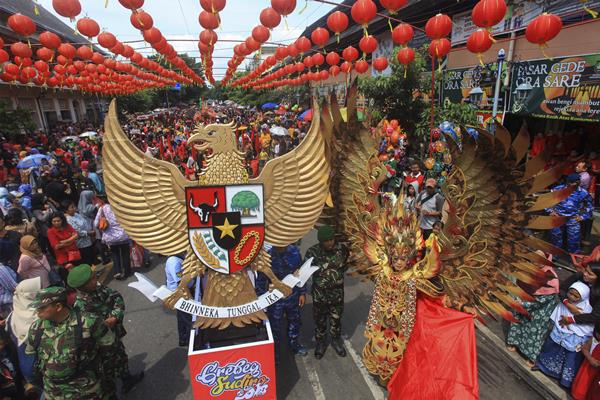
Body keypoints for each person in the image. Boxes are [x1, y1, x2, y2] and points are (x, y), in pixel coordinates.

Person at [25, 286, 115, 399]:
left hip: (86, 391)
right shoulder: (36, 328)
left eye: (42, 307)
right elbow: (31, 355)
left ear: (58, 307)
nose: (38, 311)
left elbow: (109, 349)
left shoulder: (89, 322)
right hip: (54, 393)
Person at [67, 264, 144, 397]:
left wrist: (115, 316)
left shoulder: (97, 288)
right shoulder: (80, 306)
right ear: (82, 287)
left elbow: (116, 297)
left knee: (120, 357)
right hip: (101, 344)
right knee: (106, 372)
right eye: (91, 280)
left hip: (113, 334)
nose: (95, 281)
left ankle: (127, 379)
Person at [535, 281, 594, 388]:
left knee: (570, 358)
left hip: (575, 337)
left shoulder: (587, 309)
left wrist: (572, 327)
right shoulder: (564, 303)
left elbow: (587, 325)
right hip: (560, 331)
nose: (572, 297)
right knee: (551, 348)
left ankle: (565, 380)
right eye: (570, 293)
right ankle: (543, 366)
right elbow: (558, 313)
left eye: (576, 296)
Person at [506, 251, 560, 367]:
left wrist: (521, 303)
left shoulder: (551, 278)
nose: (535, 261)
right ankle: (514, 342)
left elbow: (541, 301)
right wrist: (517, 298)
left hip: (539, 309)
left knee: (535, 330)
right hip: (523, 301)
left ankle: (531, 355)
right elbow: (518, 283)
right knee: (517, 320)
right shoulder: (527, 268)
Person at [256, 245, 308, 363]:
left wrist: (302, 293)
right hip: (275, 300)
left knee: (294, 322)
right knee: (275, 327)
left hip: (293, 297)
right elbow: (260, 281)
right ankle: (275, 353)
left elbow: (301, 275)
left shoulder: (294, 252)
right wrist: (261, 301)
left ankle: (294, 345)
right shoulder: (267, 257)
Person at [305, 225, 349, 359]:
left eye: (331, 239)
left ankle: (336, 341)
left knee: (336, 320)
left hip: (337, 295)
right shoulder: (312, 253)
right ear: (320, 241)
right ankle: (321, 343)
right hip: (320, 296)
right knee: (320, 321)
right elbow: (304, 272)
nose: (330, 242)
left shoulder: (342, 250)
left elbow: (346, 264)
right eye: (326, 240)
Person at [7, 277, 42, 398]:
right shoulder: (38, 318)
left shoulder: (12, 316)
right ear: (30, 295)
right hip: (41, 368)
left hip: (26, 368)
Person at [548, 173, 593, 255]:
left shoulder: (583, 193)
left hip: (573, 218)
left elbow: (589, 206)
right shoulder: (558, 189)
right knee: (556, 236)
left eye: (576, 182)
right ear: (568, 182)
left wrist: (583, 216)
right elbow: (546, 201)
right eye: (572, 182)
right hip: (558, 216)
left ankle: (574, 256)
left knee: (574, 239)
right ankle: (555, 255)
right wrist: (550, 211)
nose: (574, 184)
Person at [94, 200, 131, 280]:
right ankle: (127, 271)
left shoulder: (102, 208)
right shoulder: (121, 206)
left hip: (110, 236)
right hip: (123, 234)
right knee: (125, 253)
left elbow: (96, 223)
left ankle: (118, 271)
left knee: (115, 253)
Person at [165, 254, 193, 347]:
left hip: (180, 294)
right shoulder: (174, 262)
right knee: (189, 319)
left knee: (182, 318)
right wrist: (190, 299)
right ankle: (191, 342)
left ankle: (183, 338)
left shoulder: (178, 258)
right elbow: (181, 283)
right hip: (180, 295)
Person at [47, 212, 79, 281]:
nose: (56, 223)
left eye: (58, 221)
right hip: (64, 257)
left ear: (62, 220)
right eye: (54, 221)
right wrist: (71, 240)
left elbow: (76, 235)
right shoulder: (50, 231)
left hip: (74, 253)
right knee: (73, 275)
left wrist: (64, 241)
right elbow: (57, 246)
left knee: (78, 271)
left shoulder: (67, 226)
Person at [571, 321, 600, 400]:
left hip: (597, 374)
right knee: (582, 385)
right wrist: (590, 359)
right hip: (587, 369)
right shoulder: (594, 340)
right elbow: (584, 348)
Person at [63, 200, 96, 265]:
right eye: (72, 207)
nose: (74, 208)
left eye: (74, 206)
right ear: (66, 210)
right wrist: (89, 233)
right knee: (86, 260)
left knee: (91, 257)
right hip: (81, 243)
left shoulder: (76, 214)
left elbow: (85, 222)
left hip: (88, 239)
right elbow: (77, 231)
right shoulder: (69, 219)